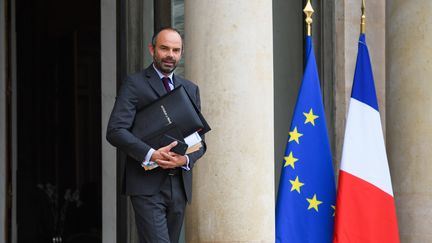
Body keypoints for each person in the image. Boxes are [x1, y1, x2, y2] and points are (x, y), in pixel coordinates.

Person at [106, 27, 206, 243]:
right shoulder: (134, 84)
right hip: (146, 186)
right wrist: (152, 154)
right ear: (152, 50)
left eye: (176, 50)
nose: (170, 54)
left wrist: (185, 159)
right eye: (164, 48)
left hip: (179, 187)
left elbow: (200, 142)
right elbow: (115, 130)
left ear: (181, 53)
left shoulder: (190, 89)